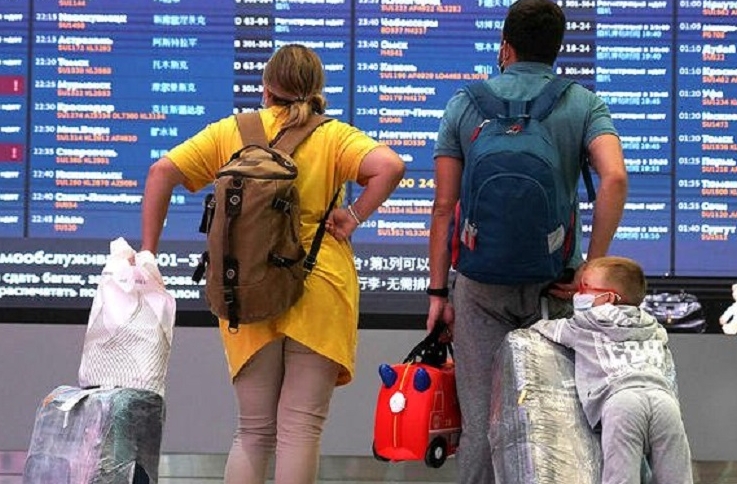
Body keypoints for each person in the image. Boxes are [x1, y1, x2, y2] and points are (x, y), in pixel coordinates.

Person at [140, 44, 405, 484]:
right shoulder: (333, 136)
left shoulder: (231, 132)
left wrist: (149, 252)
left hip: (247, 285)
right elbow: (390, 166)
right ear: (316, 90)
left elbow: (160, 173)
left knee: (253, 431)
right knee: (301, 428)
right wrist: (354, 216)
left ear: (266, 88)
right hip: (319, 286)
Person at [425, 0, 628, 481]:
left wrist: (438, 292)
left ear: (505, 47)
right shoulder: (582, 103)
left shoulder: (465, 104)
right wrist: (590, 269)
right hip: (554, 285)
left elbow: (443, 207)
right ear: (556, 49)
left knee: (481, 424)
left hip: (479, 287)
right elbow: (615, 178)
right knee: (554, 421)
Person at [530, 256, 693, 484]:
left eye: (585, 287)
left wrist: (531, 324)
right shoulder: (653, 326)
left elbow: (546, 329)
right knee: (677, 478)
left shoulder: (587, 323)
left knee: (621, 477)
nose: (579, 292)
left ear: (607, 298)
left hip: (621, 403)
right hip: (664, 402)